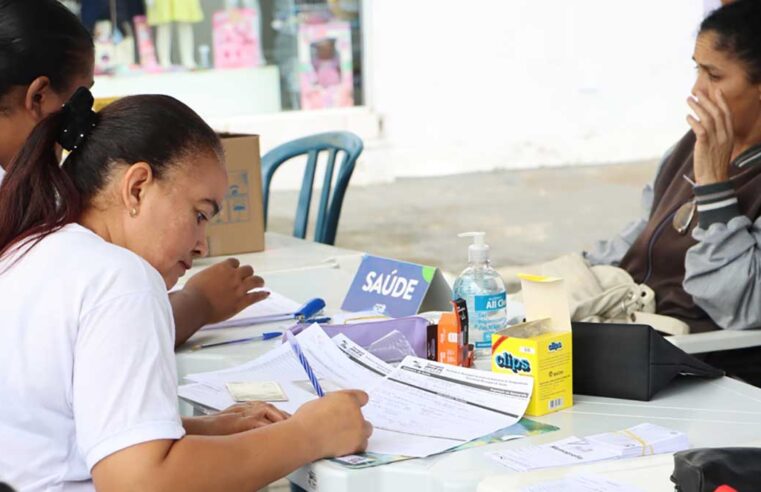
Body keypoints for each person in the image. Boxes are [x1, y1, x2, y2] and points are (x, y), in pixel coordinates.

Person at [0, 89, 372, 490]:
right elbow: (141, 482)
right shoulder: (120, 279)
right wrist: (310, 435)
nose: (202, 245)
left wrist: (198, 431)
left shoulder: (30, 248)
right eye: (199, 214)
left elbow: (62, 429)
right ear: (138, 187)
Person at [0, 0, 265, 347]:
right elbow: (109, 340)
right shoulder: (118, 281)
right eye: (81, 101)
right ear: (38, 97)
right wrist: (196, 304)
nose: (82, 123)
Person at [585, 0, 761, 380]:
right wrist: (585, 275)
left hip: (703, 363)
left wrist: (715, 190)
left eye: (714, 76)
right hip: (634, 340)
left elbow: (742, 306)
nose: (697, 90)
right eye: (697, 70)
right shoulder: (687, 148)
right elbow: (645, 235)